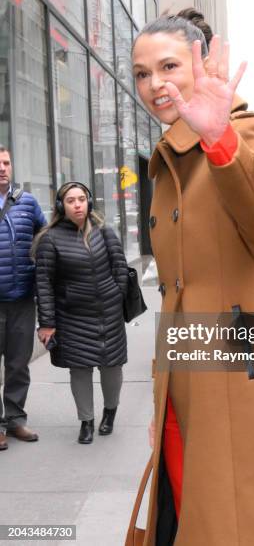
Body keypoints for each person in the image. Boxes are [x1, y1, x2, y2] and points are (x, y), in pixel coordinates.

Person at [130, 9, 254, 545]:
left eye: (168, 66)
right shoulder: (166, 160)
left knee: (239, 521)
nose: (155, 83)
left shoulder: (240, 132)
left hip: (238, 372)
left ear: (200, 64)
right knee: (189, 515)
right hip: (184, 374)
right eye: (142, 73)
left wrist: (221, 143)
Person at [33, 182, 128, 444]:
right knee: (80, 369)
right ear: (61, 207)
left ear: (89, 202)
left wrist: (116, 295)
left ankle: (110, 413)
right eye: (71, 201)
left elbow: (120, 267)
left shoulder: (104, 232)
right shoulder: (50, 239)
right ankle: (86, 421)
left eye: (81, 200)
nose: (77, 205)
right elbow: (44, 284)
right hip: (72, 316)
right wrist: (48, 323)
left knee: (112, 367)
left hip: (108, 314)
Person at [0, 144, 46, 451]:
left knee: (18, 363)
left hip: (21, 298)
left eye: (5, 162)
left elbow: (45, 237)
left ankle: (15, 420)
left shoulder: (27, 202)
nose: (2, 168)